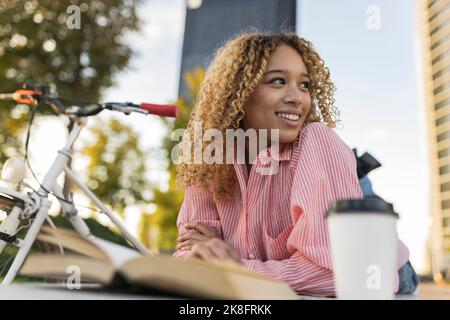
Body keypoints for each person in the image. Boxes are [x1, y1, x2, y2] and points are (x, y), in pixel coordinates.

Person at [172, 31, 410, 297]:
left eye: (304, 85)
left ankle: (358, 180)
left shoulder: (316, 141)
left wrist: (235, 267)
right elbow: (189, 255)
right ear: (238, 93)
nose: (298, 97)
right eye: (278, 81)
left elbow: (348, 274)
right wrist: (215, 263)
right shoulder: (210, 156)